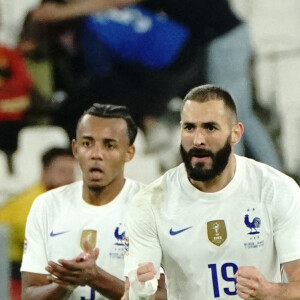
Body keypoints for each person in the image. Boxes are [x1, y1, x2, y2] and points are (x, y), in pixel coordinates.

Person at [123, 84, 300, 299]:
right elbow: (138, 290)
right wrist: (141, 292)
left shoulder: (276, 189)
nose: (198, 140)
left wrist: (270, 291)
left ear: (235, 134)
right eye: (189, 128)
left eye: (210, 128)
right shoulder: (150, 202)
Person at [20, 103, 166, 299]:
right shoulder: (46, 206)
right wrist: (66, 284)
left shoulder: (153, 206)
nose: (96, 154)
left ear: (129, 153)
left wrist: (96, 278)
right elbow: (29, 294)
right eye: (87, 143)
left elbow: (162, 296)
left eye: (109, 145)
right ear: (75, 149)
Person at [0, 146, 76, 300]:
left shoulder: (65, 202)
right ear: (45, 172)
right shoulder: (32, 203)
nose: (68, 179)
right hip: (11, 274)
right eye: (62, 172)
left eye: (71, 173)